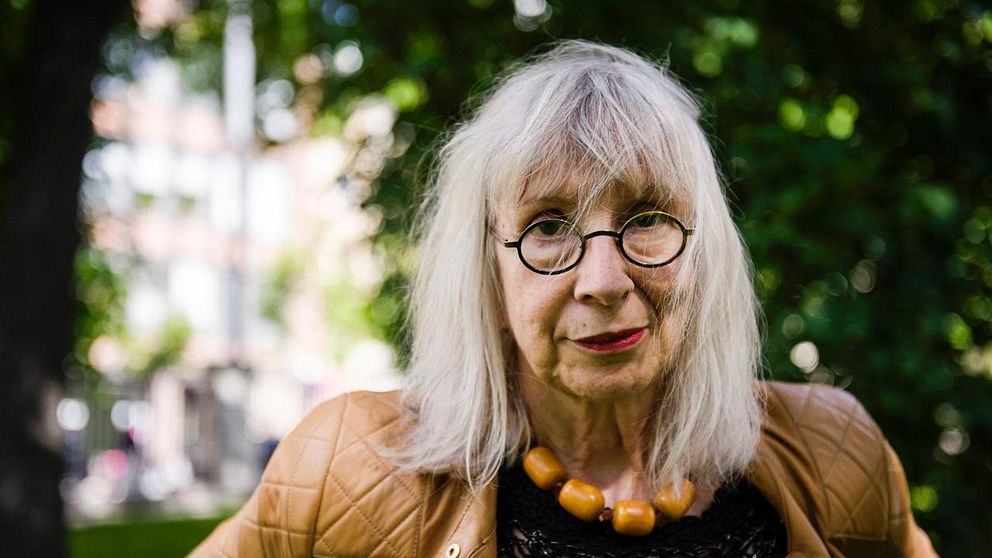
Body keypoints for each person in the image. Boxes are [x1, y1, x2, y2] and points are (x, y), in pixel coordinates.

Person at [192, 40, 936, 557]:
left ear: (704, 251)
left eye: (646, 218)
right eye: (548, 227)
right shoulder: (346, 469)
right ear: (487, 271)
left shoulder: (836, 456)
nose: (604, 281)